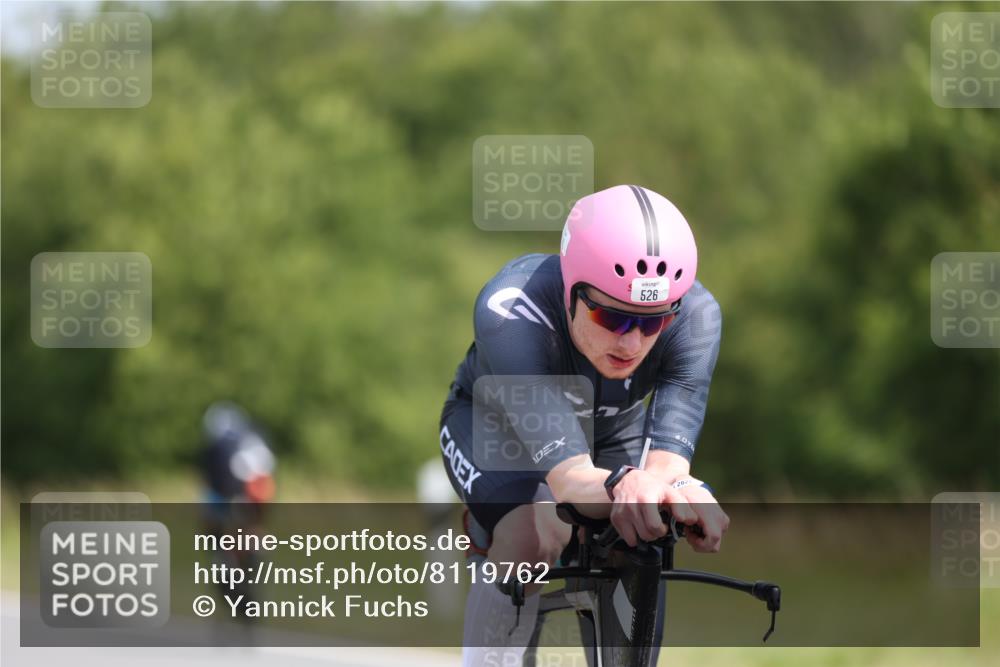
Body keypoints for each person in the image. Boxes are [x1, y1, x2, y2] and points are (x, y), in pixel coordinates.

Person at [439, 185, 728, 665]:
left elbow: (666, 466)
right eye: (611, 316)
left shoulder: (697, 318)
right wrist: (626, 486)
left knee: (644, 539)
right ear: (571, 289)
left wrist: (679, 489)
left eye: (653, 322)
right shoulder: (512, 310)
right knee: (535, 533)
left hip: (611, 430)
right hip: (496, 425)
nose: (631, 343)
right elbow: (571, 480)